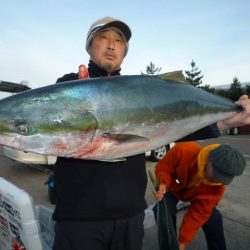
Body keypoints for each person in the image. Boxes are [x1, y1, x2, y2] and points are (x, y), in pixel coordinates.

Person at [52, 16, 250, 250]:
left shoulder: (140, 92)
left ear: (125, 50)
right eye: (103, 37)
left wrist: (227, 122)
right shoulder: (68, 87)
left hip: (130, 216)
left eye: (119, 41)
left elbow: (172, 127)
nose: (112, 45)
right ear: (89, 45)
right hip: (79, 218)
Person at [153, 141, 246, 250]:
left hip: (195, 196)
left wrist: (183, 240)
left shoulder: (218, 187)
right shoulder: (184, 150)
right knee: (162, 210)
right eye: (218, 173)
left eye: (225, 178)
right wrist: (162, 183)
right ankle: (169, 246)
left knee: (214, 218)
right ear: (210, 160)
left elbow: (199, 213)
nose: (218, 180)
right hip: (173, 187)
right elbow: (164, 168)